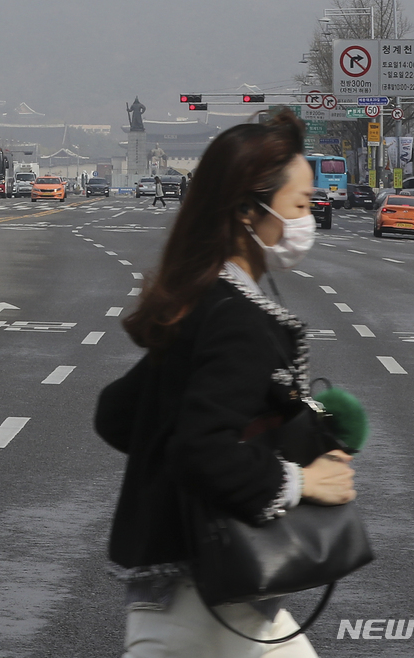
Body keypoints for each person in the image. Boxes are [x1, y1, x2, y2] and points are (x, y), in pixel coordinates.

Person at [95, 110, 356, 657]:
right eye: (301, 205)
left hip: (188, 596)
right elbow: (201, 447)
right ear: (247, 210)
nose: (308, 222)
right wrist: (301, 481)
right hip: (210, 606)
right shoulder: (236, 316)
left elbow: (120, 414)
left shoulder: (205, 301)